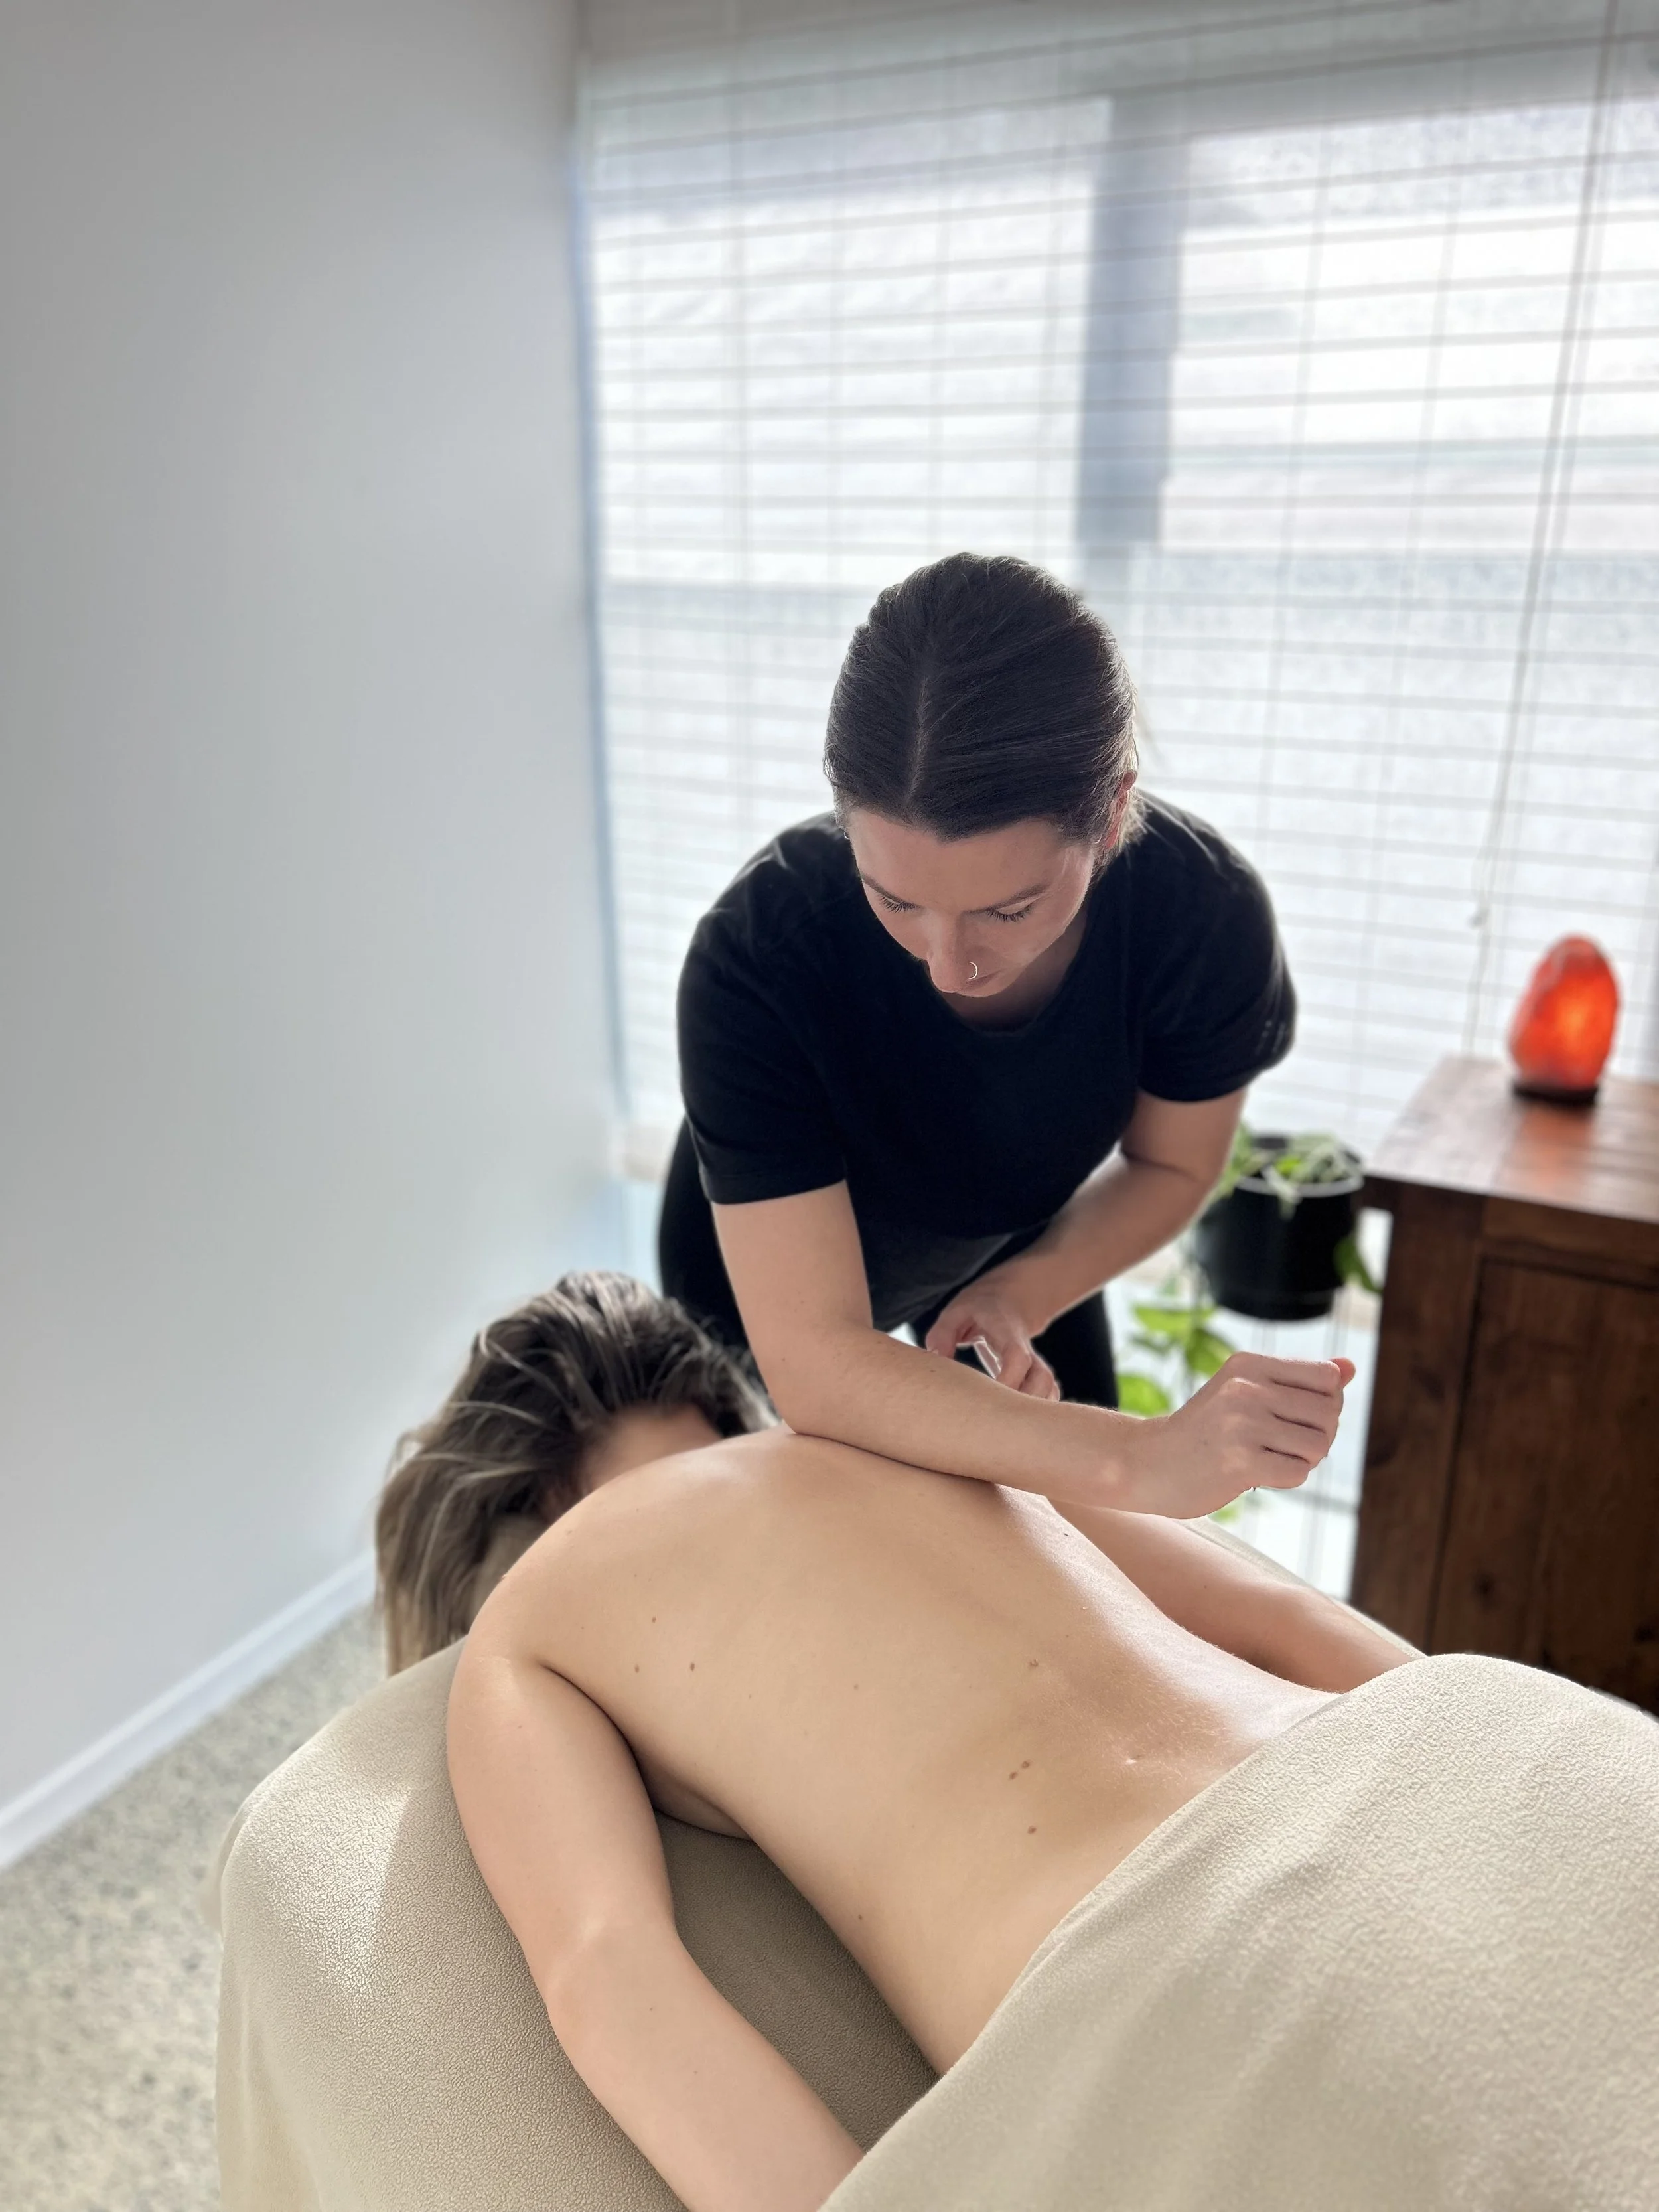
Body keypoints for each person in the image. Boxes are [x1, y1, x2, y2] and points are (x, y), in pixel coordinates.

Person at [427, 1277, 1659, 2212]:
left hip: (1191, 1976)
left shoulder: (525, 1630)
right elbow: (1282, 1619)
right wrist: (1495, 1777)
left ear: (500, 1533)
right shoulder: (900, 1425)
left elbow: (612, 1978)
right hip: (1509, 1769)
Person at [661, 552, 1321, 1515]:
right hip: (760, 1298)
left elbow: (1171, 1167)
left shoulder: (1199, 917)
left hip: (1009, 1247)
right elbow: (814, 1361)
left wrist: (1024, 1292)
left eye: (1009, 910)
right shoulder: (761, 954)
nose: (948, 966)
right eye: (895, 901)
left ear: (1113, 816)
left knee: (1089, 1551)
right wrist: (1133, 1458)